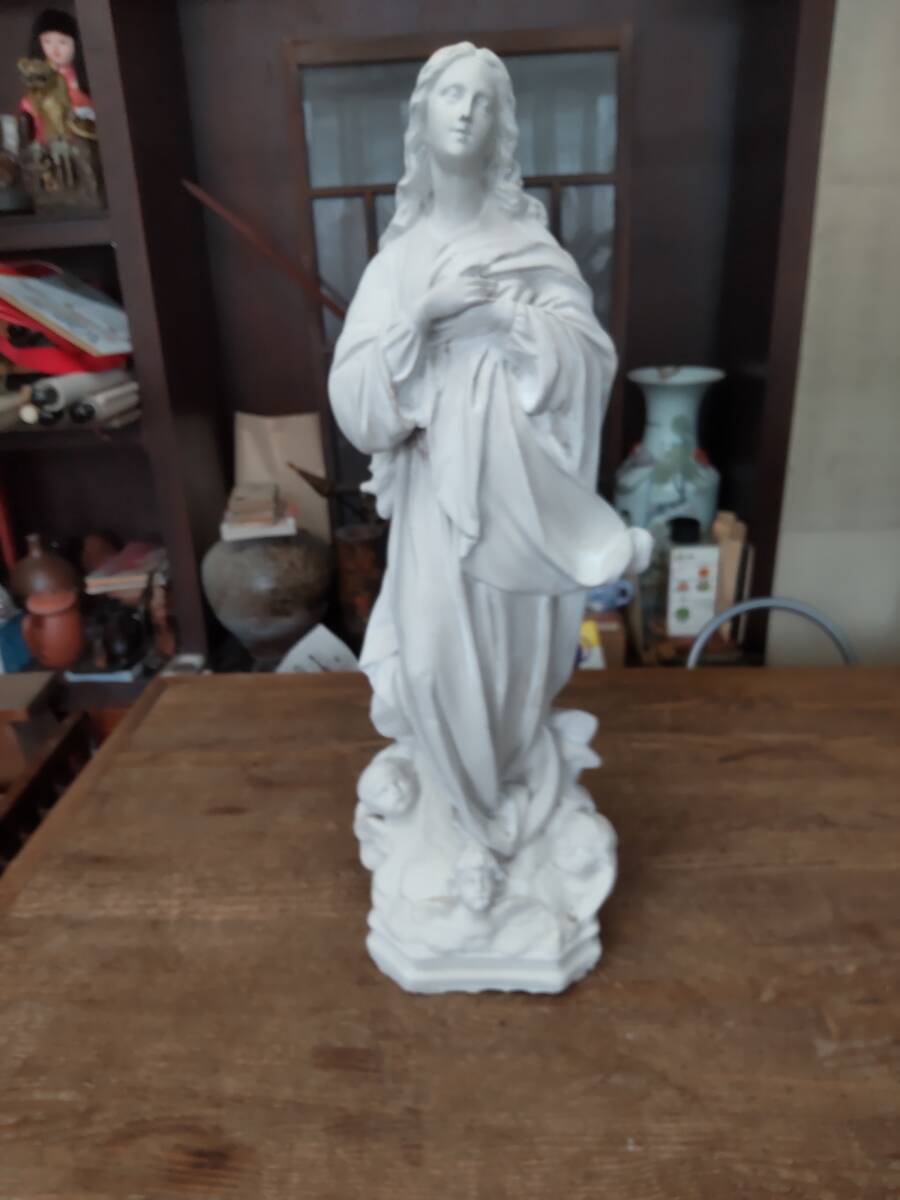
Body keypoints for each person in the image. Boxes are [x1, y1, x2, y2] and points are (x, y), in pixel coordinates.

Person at [330, 43, 649, 862]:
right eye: (451, 95)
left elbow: (590, 358)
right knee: (432, 667)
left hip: (516, 500)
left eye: (482, 99)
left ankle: (501, 813)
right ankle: (462, 822)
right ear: (421, 117)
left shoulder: (529, 251)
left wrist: (511, 321)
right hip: (437, 507)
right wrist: (423, 318)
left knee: (510, 672)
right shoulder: (398, 265)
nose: (466, 110)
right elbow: (356, 400)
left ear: (501, 124)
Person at [21, 8, 94, 144]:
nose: (54, 49)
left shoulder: (81, 76)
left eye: (62, 42)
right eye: (47, 42)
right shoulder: (41, 73)